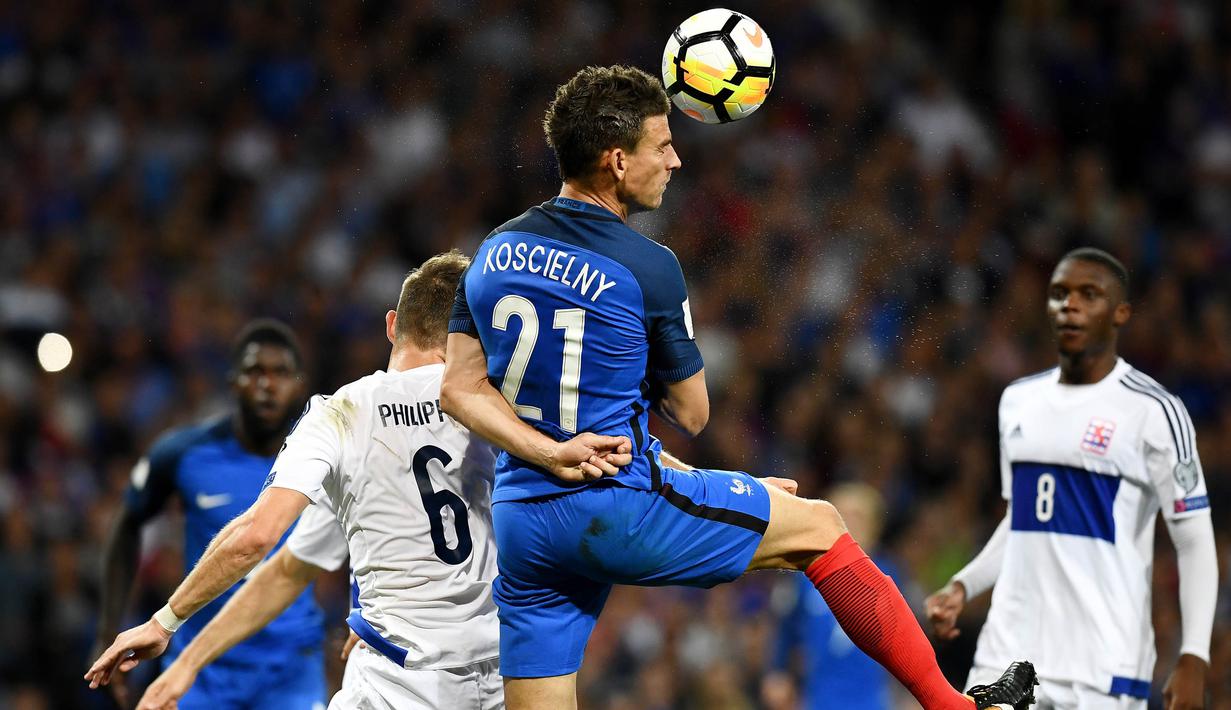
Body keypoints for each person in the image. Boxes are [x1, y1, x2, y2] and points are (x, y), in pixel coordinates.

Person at [440, 64, 1037, 710]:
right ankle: (955, 706)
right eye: (660, 145)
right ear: (616, 161)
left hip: (524, 522)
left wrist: (547, 452)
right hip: (613, 507)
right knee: (819, 528)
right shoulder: (648, 266)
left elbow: (459, 389)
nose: (673, 161)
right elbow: (691, 411)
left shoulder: (495, 250)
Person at [86, 251, 631, 708]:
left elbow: (261, 544)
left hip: (397, 682)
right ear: (473, 333)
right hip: (506, 678)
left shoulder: (344, 417)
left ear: (393, 324)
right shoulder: (505, 407)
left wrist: (166, 623)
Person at [925, 248, 1218, 710]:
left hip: (1102, 663)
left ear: (1120, 313)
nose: (1071, 306)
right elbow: (1023, 524)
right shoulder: (1018, 402)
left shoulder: (1155, 412)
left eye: (1089, 294)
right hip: (1009, 651)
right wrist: (965, 585)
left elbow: (1195, 540)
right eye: (1059, 294)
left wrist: (1193, 654)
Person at [91, 319, 326, 708]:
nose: (267, 384)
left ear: (299, 384)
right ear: (233, 381)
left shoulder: (323, 457)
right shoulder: (183, 453)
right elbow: (128, 523)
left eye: (281, 372)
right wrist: (106, 632)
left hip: (290, 670)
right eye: (255, 371)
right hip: (200, 668)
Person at [764, 483, 905, 710]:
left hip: (871, 699)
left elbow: (907, 639)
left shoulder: (888, 574)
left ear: (875, 526)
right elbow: (786, 626)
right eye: (841, 515)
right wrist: (778, 671)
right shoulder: (806, 574)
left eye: (857, 516)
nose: (849, 524)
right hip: (819, 698)